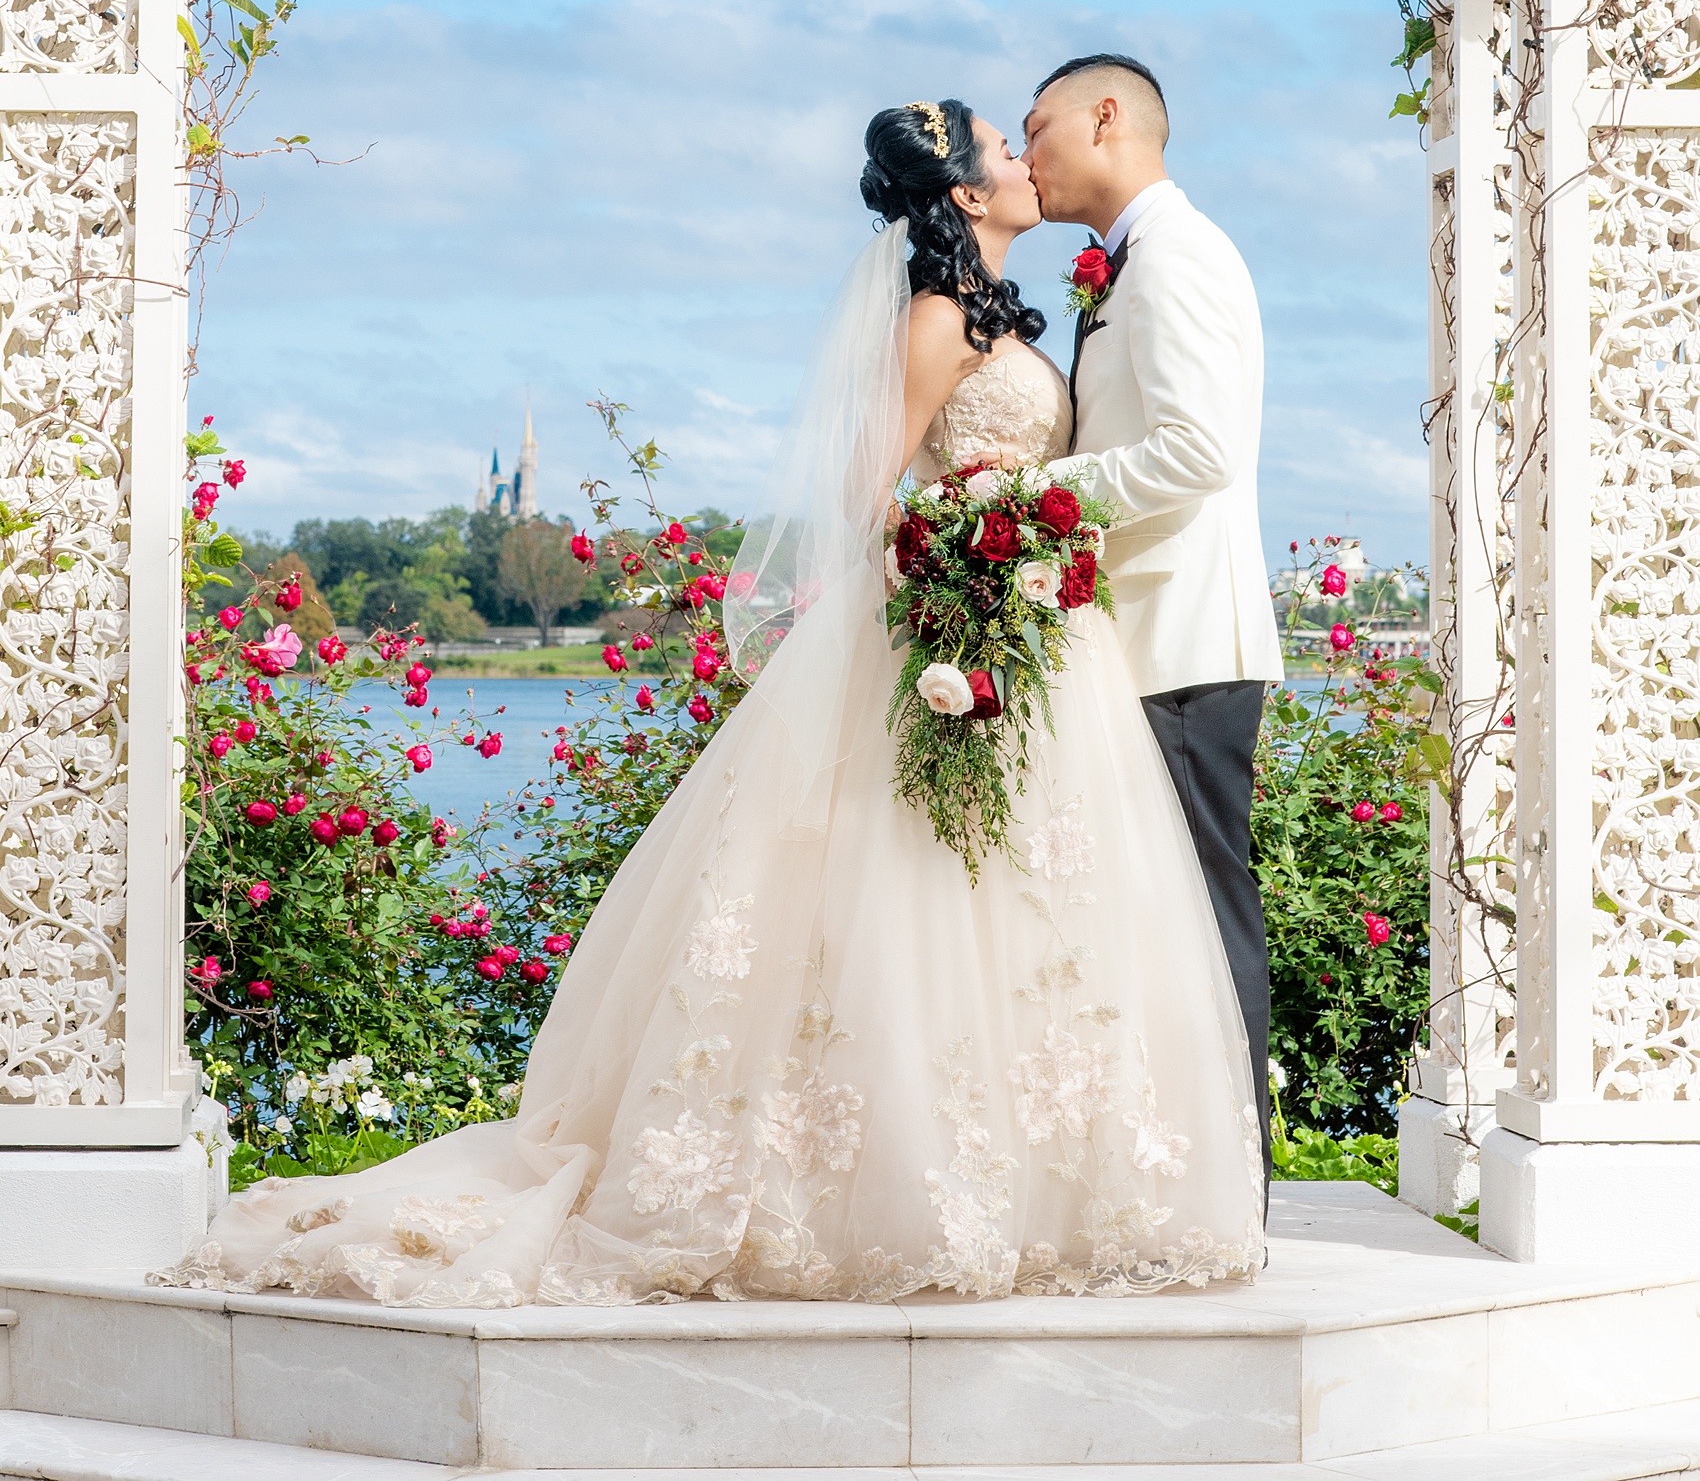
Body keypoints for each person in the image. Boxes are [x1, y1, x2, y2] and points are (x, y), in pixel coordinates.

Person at [156, 101, 1262, 1309]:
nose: (1021, 161)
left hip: (1038, 644)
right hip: (955, 625)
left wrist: (1016, 530)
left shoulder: (1000, 316)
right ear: (959, 194)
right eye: (1003, 148)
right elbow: (865, 490)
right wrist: (972, 529)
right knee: (920, 906)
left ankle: (1048, 1184)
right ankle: (895, 1187)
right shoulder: (937, 319)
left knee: (1034, 913)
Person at [1021, 54, 1282, 1193]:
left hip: (1181, 642)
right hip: (1134, 645)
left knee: (1205, 914)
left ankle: (1234, 1180)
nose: (1026, 158)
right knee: (1148, 919)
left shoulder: (1174, 258)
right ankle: (1173, 1171)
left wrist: (1036, 500)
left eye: (1038, 131)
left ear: (1106, 118)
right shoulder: (1125, 266)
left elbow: (1199, 451)